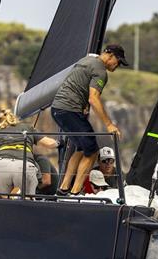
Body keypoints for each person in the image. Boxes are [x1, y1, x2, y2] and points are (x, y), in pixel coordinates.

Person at [51, 44, 128, 195]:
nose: (117, 66)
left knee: (81, 148)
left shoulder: (86, 60)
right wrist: (109, 124)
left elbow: (78, 84)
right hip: (69, 110)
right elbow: (94, 98)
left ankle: (64, 188)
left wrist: (83, 104)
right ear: (110, 55)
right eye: (118, 62)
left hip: (57, 109)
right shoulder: (100, 71)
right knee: (92, 151)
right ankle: (75, 192)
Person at [0, 108, 57, 196]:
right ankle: (18, 196)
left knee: (3, 201)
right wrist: (59, 143)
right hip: (23, 165)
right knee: (27, 201)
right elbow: (50, 143)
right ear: (14, 118)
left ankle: (1, 197)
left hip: (1, 166)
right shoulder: (27, 128)